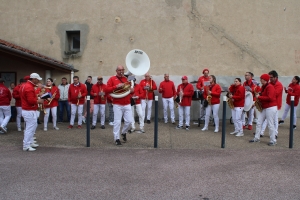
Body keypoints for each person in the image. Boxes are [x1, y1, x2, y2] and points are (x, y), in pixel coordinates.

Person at [105, 65, 134, 145]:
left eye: (122, 70)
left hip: (127, 103)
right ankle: (116, 139)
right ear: (116, 71)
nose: (121, 71)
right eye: (119, 70)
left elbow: (129, 91)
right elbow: (106, 89)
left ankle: (123, 132)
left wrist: (132, 91)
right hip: (117, 104)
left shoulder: (126, 79)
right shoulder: (112, 79)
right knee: (117, 122)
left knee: (129, 121)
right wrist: (116, 86)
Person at [250, 74, 277, 146]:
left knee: (270, 124)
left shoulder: (270, 87)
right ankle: (256, 138)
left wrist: (259, 97)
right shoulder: (264, 87)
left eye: (261, 79)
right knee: (259, 122)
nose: (260, 80)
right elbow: (262, 95)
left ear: (265, 79)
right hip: (265, 107)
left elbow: (270, 98)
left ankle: (273, 140)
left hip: (271, 107)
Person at [20, 73, 43, 151]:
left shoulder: (24, 85)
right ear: (34, 79)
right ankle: (26, 145)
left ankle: (29, 142)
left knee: (31, 127)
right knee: (30, 128)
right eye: (37, 79)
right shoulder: (29, 87)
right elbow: (31, 101)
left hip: (27, 109)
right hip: (29, 110)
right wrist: (39, 101)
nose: (38, 81)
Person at [260, 70, 283, 138]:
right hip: (268, 104)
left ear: (276, 77)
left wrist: (263, 95)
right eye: (269, 77)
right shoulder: (269, 84)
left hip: (275, 104)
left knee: (275, 120)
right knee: (266, 119)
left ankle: (275, 133)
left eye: (271, 77)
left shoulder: (279, 85)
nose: (270, 79)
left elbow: (274, 94)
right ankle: (261, 132)